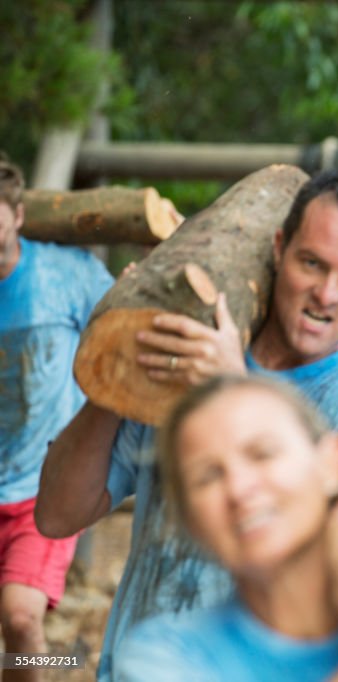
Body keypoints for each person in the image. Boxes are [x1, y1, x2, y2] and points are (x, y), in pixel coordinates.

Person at [35, 169, 338, 680]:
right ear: (279, 248)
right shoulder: (186, 350)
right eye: (312, 263)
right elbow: (57, 516)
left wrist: (233, 390)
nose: (327, 294)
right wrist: (120, 359)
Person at [116, 374, 338, 682]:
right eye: (208, 476)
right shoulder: (161, 658)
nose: (238, 489)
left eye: (262, 453)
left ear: (332, 462)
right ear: (189, 520)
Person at [0, 158, 113, 682]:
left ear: (17, 216)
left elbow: (120, 330)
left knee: (20, 619)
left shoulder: (65, 276)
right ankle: (65, 663)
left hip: (42, 488)